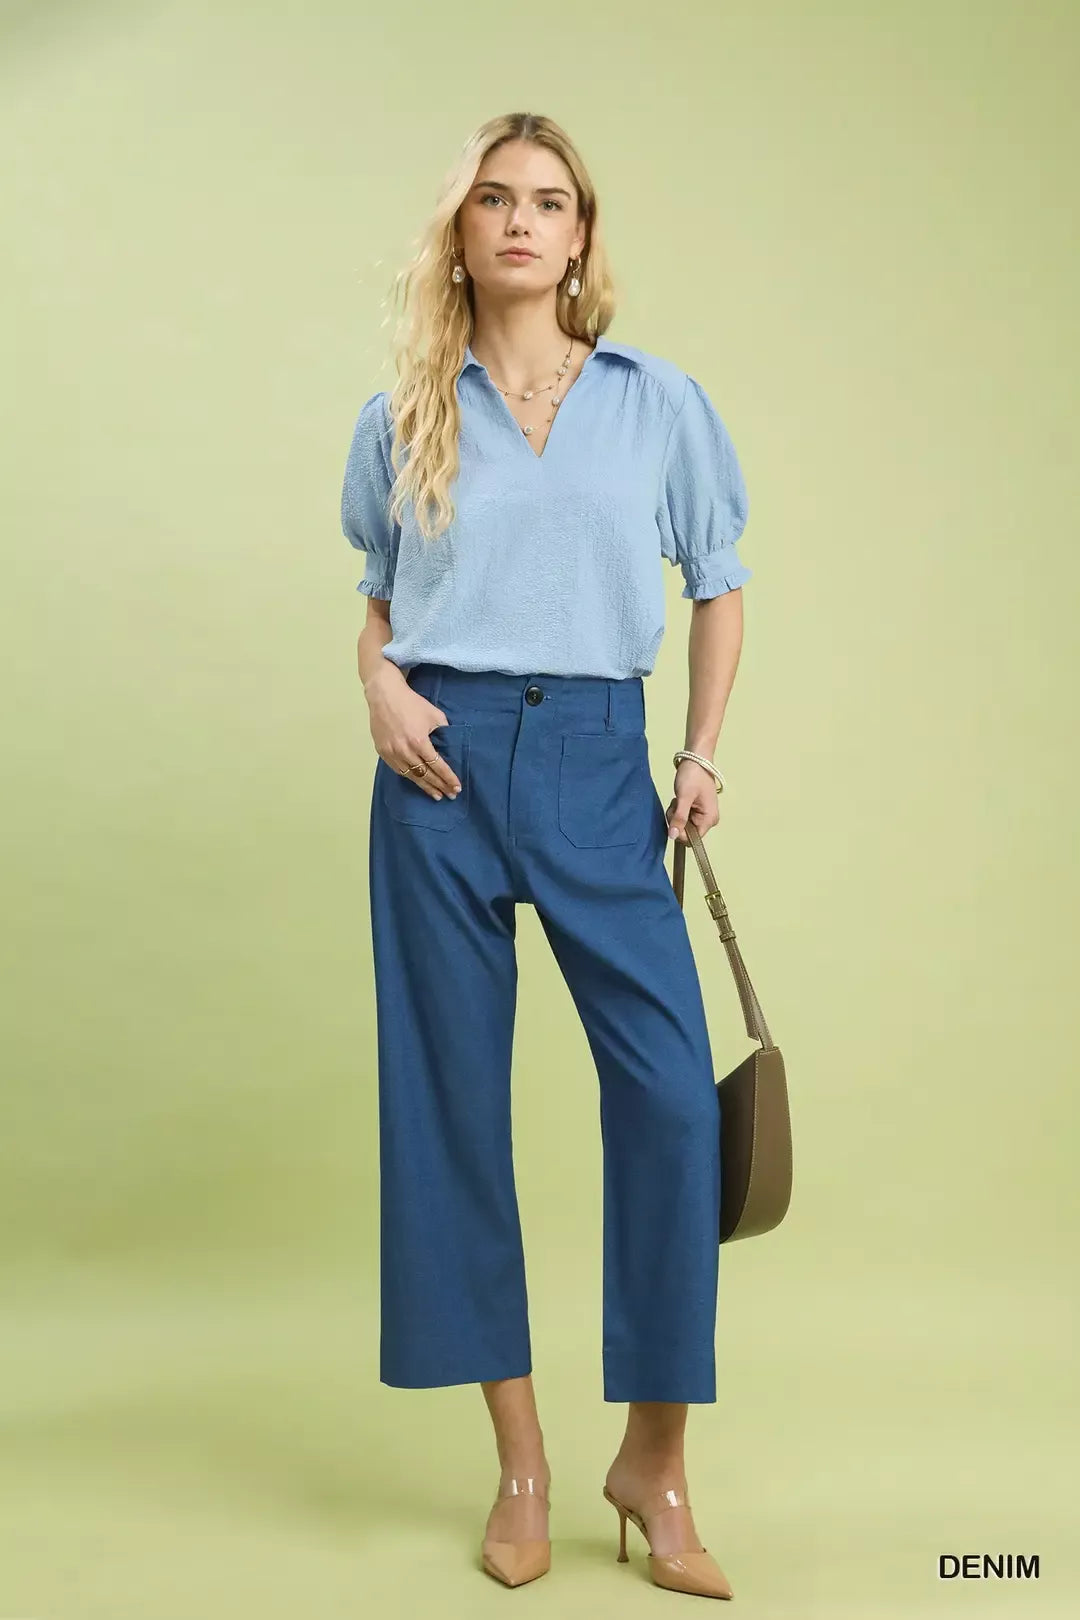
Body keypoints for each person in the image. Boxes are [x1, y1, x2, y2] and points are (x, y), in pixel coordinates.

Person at [339, 111, 750, 1600]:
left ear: (582, 236)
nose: (522, 221)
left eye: (551, 202)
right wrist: (377, 682)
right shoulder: (404, 414)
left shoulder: (657, 403)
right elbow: (380, 601)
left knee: (667, 1103)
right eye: (495, 200)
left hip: (594, 758)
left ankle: (655, 1459)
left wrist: (697, 755)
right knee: (451, 1111)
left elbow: (720, 585)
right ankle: (519, 1459)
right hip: (435, 770)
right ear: (462, 230)